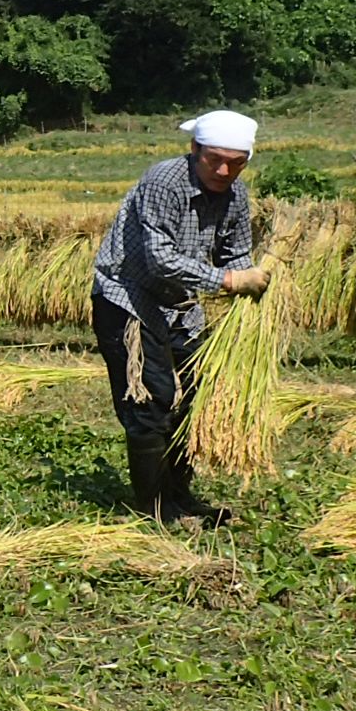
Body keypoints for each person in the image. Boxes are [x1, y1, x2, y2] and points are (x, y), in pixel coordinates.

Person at [89, 111, 266, 525]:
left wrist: (248, 279)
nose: (224, 171)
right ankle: (156, 508)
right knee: (151, 401)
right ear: (194, 150)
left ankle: (180, 495)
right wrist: (229, 280)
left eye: (237, 163)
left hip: (181, 306)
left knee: (195, 395)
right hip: (128, 298)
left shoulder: (237, 195)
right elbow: (161, 261)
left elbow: (235, 254)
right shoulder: (163, 183)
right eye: (214, 160)